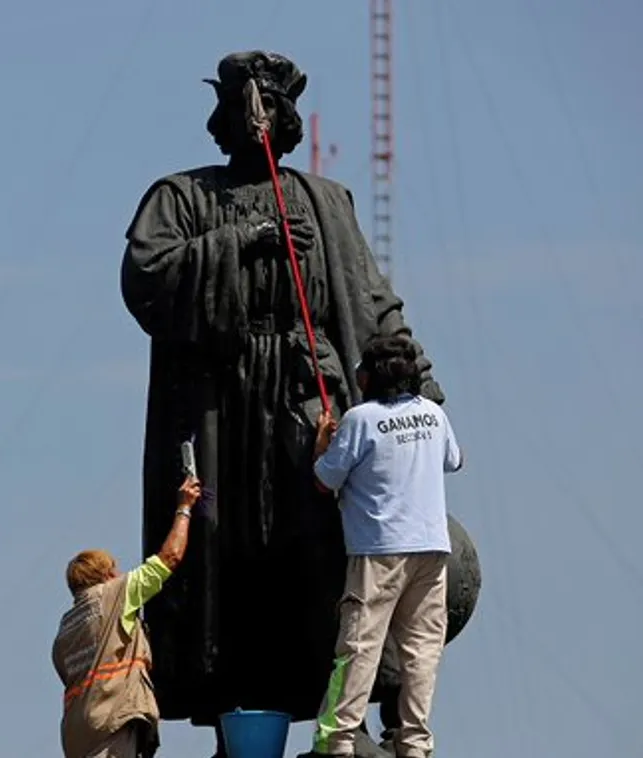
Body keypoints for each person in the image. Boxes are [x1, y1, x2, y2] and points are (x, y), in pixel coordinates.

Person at [119, 49, 455, 754]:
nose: (254, 119)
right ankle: (231, 721)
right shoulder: (180, 197)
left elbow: (370, 300)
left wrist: (415, 389)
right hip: (218, 404)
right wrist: (245, 239)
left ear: (286, 116)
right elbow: (147, 277)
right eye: (242, 105)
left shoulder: (325, 203)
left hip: (308, 403)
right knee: (223, 553)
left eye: (266, 105)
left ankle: (346, 717)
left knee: (322, 551)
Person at [299, 335, 465, 758]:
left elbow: (324, 479)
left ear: (370, 376)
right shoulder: (432, 415)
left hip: (379, 550)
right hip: (431, 548)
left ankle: (336, 742)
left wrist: (323, 444)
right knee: (422, 649)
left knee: (358, 646)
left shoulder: (360, 420)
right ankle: (415, 744)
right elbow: (452, 460)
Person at [52, 476, 203, 758]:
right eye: (116, 569)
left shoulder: (65, 628)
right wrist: (184, 508)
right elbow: (169, 558)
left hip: (77, 733)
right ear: (107, 575)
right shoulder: (116, 594)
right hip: (112, 720)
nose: (120, 574)